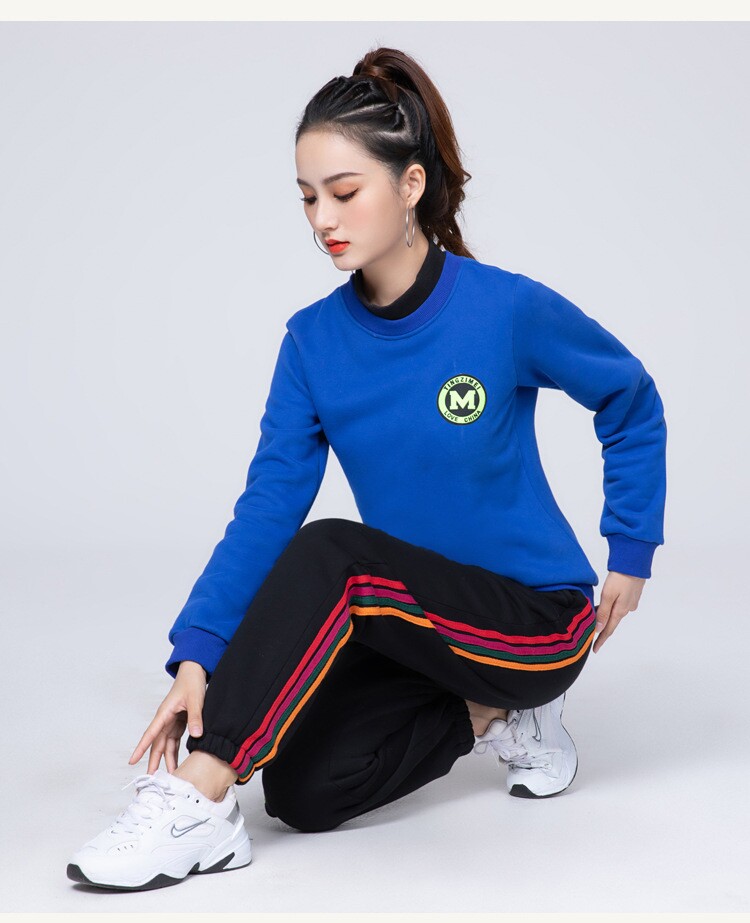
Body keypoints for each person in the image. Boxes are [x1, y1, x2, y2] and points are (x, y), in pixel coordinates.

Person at [67, 46, 667, 892]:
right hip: (412, 621)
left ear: (411, 184)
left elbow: (628, 395)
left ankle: (197, 797)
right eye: (308, 197)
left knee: (334, 551)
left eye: (344, 192)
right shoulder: (313, 343)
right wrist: (197, 656)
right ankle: (492, 714)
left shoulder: (501, 308)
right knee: (303, 790)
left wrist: (631, 550)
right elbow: (267, 506)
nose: (323, 218)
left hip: (532, 621)